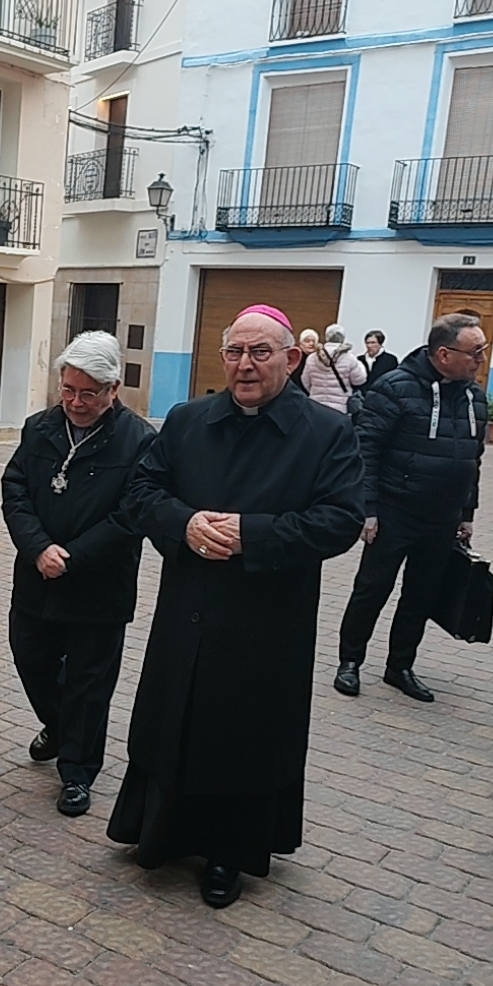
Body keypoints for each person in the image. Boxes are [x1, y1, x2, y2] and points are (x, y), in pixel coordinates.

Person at [108, 305, 364, 908]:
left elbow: (340, 520)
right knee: (175, 719)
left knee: (244, 733)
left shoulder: (327, 431)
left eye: (260, 352)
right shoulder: (188, 419)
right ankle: (159, 833)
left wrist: (252, 535)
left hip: (267, 616)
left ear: (291, 359)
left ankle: (230, 852)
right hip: (189, 606)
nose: (245, 365)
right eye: (235, 352)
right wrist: (185, 522)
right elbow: (141, 491)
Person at [1, 332, 156, 817]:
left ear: (114, 389)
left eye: (89, 393)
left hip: (98, 586)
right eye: (68, 389)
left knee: (89, 681)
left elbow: (133, 514)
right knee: (31, 657)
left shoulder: (139, 440)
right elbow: (15, 489)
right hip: (37, 576)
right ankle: (61, 725)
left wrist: (71, 556)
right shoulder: (40, 427)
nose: (75, 402)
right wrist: (38, 547)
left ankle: (77, 773)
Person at [333, 313, 488, 703]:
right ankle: (350, 662)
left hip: (443, 519)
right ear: (444, 353)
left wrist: (467, 513)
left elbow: (473, 458)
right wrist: (367, 508)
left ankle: (400, 666)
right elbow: (366, 449)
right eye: (475, 352)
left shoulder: (475, 397)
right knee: (371, 590)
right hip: (393, 512)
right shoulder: (394, 388)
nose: (481, 359)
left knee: (421, 596)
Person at [302, 325, 367, 415]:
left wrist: (315, 392)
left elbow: (305, 381)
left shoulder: (312, 357)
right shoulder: (349, 358)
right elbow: (359, 380)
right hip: (339, 407)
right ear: (343, 338)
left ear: (327, 337)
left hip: (315, 405)